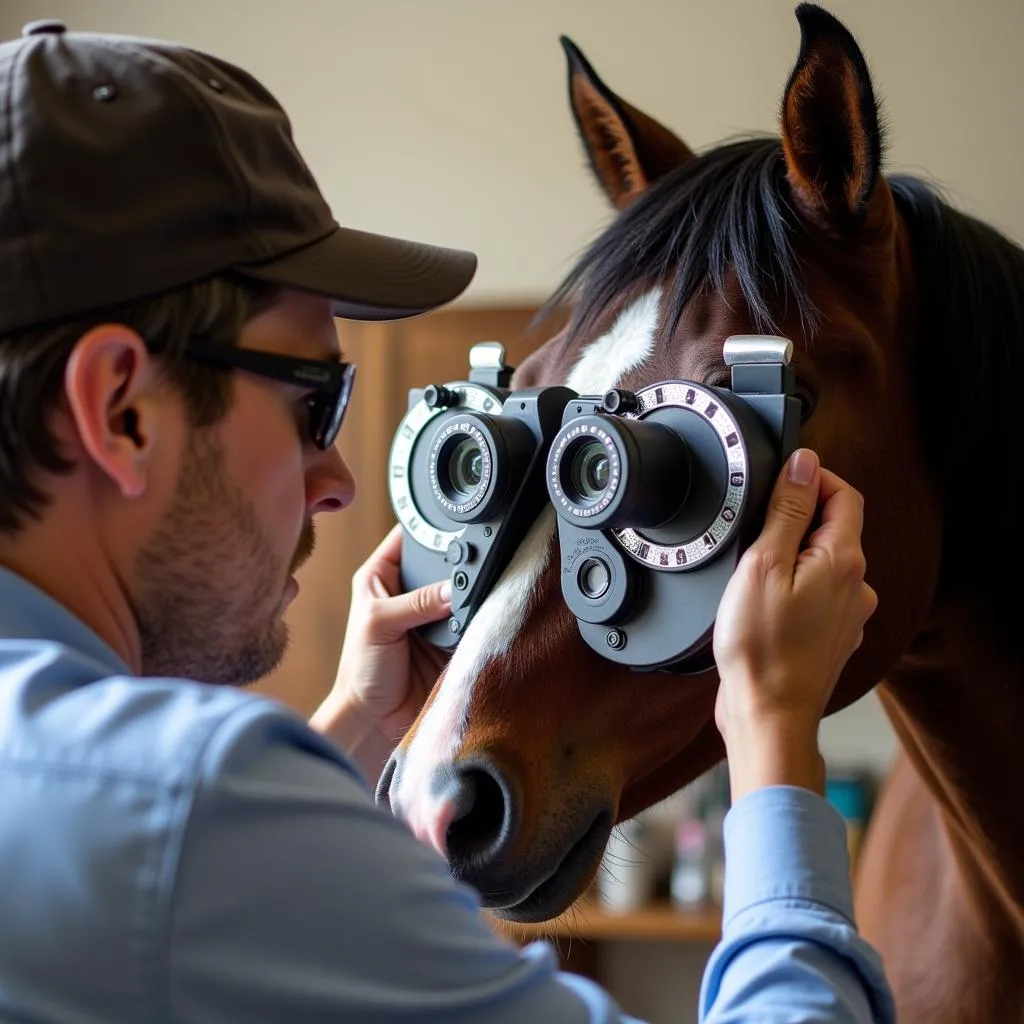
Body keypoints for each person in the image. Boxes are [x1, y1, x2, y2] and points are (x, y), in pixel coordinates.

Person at [0, 20, 893, 1024]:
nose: (337, 481)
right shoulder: (184, 806)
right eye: (314, 404)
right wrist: (774, 736)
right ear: (121, 410)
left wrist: (350, 735)